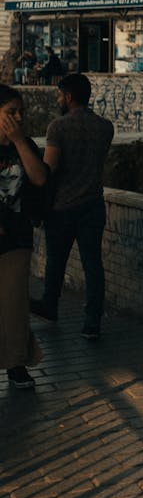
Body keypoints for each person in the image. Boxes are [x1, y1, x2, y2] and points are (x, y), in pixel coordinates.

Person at [31, 73, 114, 340]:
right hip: (93, 205)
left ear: (68, 97)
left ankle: (49, 305)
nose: (57, 99)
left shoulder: (58, 127)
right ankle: (92, 321)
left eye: (59, 95)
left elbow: (50, 169)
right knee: (93, 264)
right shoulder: (105, 127)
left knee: (56, 260)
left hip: (62, 207)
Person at [0, 83, 49, 389]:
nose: (18, 117)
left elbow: (40, 179)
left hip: (16, 240)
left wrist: (18, 142)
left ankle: (17, 364)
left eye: (21, 112)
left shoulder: (25, 144)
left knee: (14, 305)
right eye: (10, 112)